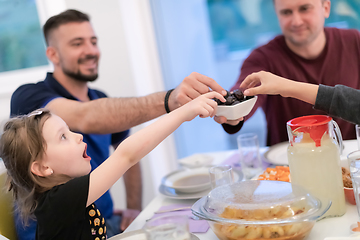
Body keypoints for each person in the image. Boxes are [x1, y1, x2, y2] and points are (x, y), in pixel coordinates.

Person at [10, 9, 227, 239]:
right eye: (77, 43)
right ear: (53, 54)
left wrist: (133, 208)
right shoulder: (30, 99)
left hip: (101, 220)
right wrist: (178, 106)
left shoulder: (101, 99)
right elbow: (97, 126)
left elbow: (127, 152)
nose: (91, 50)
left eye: (93, 41)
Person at [0, 91, 224, 239]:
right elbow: (126, 155)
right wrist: (184, 112)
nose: (78, 136)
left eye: (70, 130)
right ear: (42, 168)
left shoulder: (63, 199)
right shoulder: (59, 201)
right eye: (63, 137)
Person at [215, 0, 360, 146]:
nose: (296, 22)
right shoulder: (262, 58)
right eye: (286, 12)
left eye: (304, 9)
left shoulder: (355, 42)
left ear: (326, 8)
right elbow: (243, 91)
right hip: (288, 165)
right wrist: (231, 112)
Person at [241, 71, 360, 125]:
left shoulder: (355, 40)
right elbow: (246, 85)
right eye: (286, 17)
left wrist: (287, 87)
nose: (297, 22)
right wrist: (234, 110)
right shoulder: (263, 55)